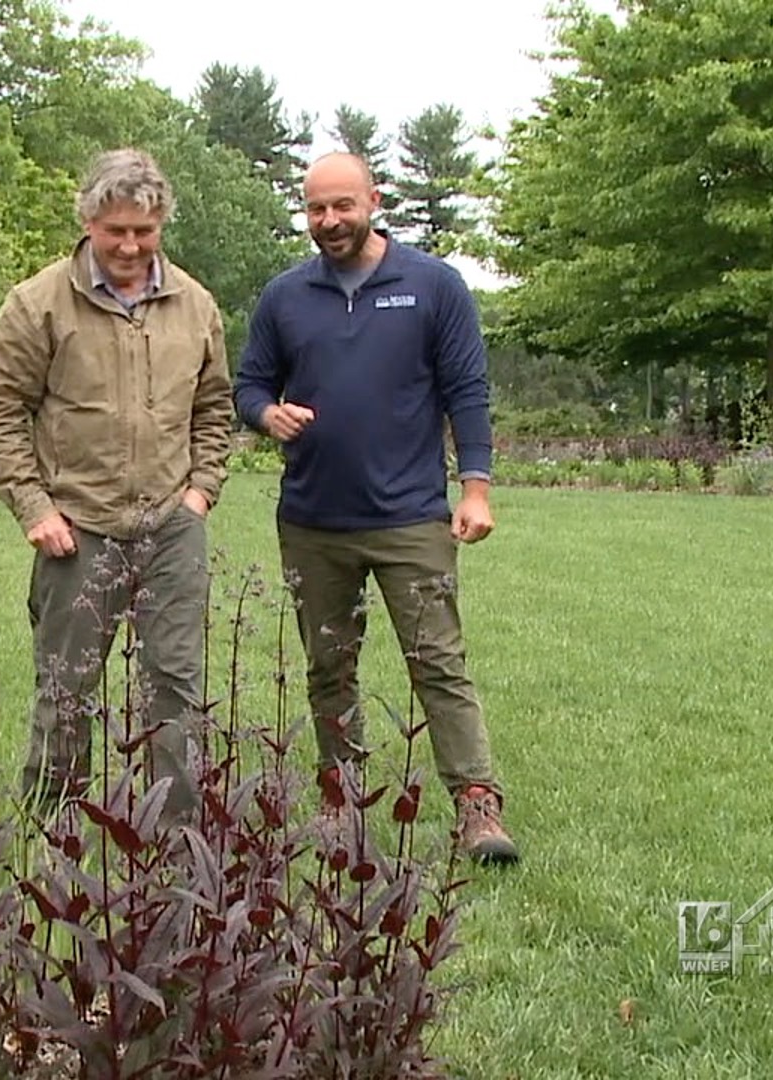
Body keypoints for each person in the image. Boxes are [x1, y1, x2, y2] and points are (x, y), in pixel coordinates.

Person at [233, 151, 519, 864]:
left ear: (373, 200)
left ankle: (478, 806)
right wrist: (267, 415)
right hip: (312, 523)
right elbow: (248, 386)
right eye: (315, 209)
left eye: (342, 206)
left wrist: (476, 487)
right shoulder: (285, 296)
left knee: (438, 663)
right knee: (329, 667)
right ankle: (342, 801)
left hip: (410, 519)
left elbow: (467, 392)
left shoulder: (433, 286)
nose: (329, 221)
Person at [0, 148, 233, 823]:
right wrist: (34, 508)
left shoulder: (195, 305)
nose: (129, 245)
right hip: (76, 529)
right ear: (88, 220)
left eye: (143, 231)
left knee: (174, 685)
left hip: (172, 527)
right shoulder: (37, 304)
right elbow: (0, 413)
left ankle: (174, 830)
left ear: (161, 226)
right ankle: (51, 822)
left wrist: (200, 493)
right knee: (66, 686)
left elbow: (214, 409)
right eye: (114, 229)